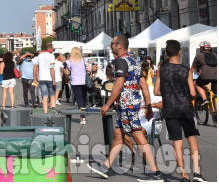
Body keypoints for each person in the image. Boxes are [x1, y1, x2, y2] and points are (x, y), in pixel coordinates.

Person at [88, 35, 163, 181]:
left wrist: (107, 104)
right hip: (131, 104)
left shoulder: (121, 62)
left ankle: (156, 173)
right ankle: (105, 166)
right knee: (118, 134)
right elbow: (144, 86)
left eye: (112, 44)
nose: (111, 46)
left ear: (120, 45)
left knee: (137, 136)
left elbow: (118, 85)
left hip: (127, 104)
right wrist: (147, 106)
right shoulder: (134, 62)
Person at [155, 40, 205, 182]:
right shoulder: (186, 70)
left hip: (170, 109)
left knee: (177, 142)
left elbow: (157, 91)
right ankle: (197, 172)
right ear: (180, 52)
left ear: (166, 53)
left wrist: (168, 92)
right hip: (186, 109)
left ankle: (183, 174)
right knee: (192, 138)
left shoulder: (162, 70)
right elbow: (192, 92)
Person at [65, 47, 88, 124]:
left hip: (75, 82)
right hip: (84, 82)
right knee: (83, 99)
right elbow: (89, 70)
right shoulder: (84, 60)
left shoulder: (69, 61)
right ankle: (83, 115)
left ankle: (83, 117)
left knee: (79, 100)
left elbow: (67, 73)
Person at [33, 41, 56, 113]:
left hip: (42, 78)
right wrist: (54, 80)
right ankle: (53, 109)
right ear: (49, 49)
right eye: (52, 49)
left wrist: (35, 78)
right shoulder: (51, 56)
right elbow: (52, 68)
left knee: (44, 96)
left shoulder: (39, 56)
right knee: (52, 95)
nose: (53, 50)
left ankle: (45, 112)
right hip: (49, 78)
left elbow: (35, 67)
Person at [191, 41, 216, 106]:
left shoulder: (198, 56)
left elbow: (192, 69)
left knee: (198, 84)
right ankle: (216, 113)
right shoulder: (216, 55)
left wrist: (189, 76)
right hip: (217, 76)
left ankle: (205, 99)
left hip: (205, 76)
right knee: (216, 94)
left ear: (202, 48)